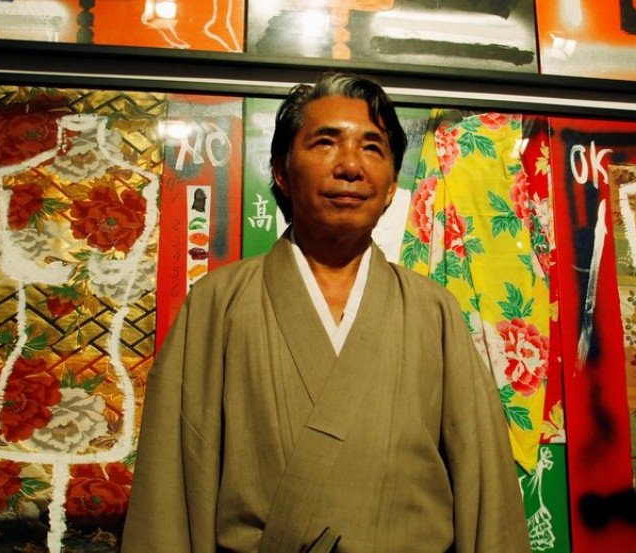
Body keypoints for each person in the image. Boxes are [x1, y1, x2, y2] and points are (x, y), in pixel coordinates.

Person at [121, 71, 531, 553]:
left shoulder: (433, 312)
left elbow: (486, 489)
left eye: (372, 148)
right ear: (281, 170)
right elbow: (169, 485)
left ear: (391, 183)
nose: (351, 167)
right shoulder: (219, 303)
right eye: (326, 143)